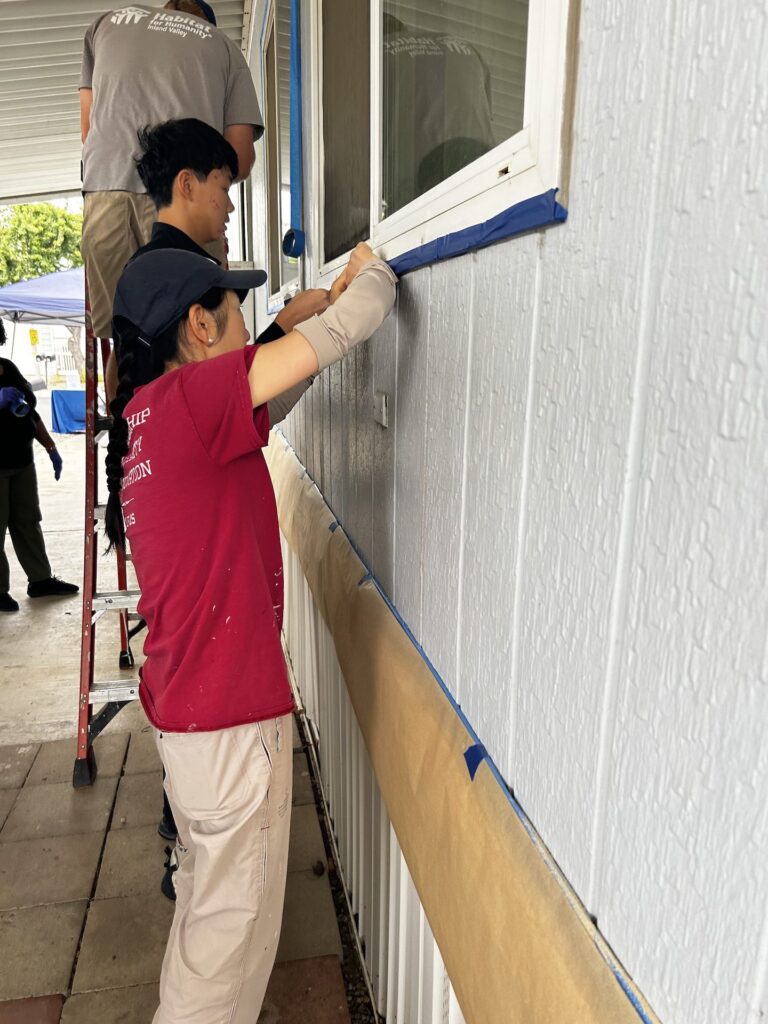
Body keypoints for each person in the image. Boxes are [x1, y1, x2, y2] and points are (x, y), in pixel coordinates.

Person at [105, 243, 396, 1022]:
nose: (247, 329)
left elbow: (282, 383)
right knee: (230, 943)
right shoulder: (195, 400)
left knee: (208, 911)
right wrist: (369, 270)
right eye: (236, 312)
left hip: (189, 718)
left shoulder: (149, 418)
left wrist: (294, 321)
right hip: (230, 722)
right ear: (200, 326)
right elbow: (351, 327)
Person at [105, 117, 331, 404]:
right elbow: (221, 396)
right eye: (224, 188)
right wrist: (287, 323)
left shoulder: (144, 270)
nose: (231, 206)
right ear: (187, 184)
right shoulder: (181, 278)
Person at [79, 0, 262, 340]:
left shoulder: (106, 24)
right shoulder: (224, 48)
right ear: (206, 24)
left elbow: (88, 131)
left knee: (125, 338)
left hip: (105, 190)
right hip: (181, 201)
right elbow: (239, 155)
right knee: (200, 334)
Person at [0, 321, 79, 612]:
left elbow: (30, 414)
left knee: (28, 521)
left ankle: (40, 579)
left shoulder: (8, 368)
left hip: (21, 461)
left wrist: (50, 447)